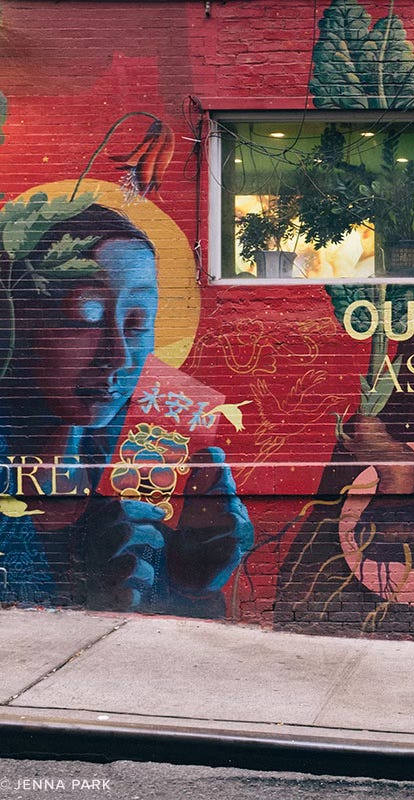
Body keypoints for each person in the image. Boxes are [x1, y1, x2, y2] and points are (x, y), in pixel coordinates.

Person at [0, 201, 253, 615]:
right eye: (86, 316)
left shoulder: (140, 468)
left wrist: (190, 584)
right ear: (15, 321)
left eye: (137, 322)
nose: (117, 356)